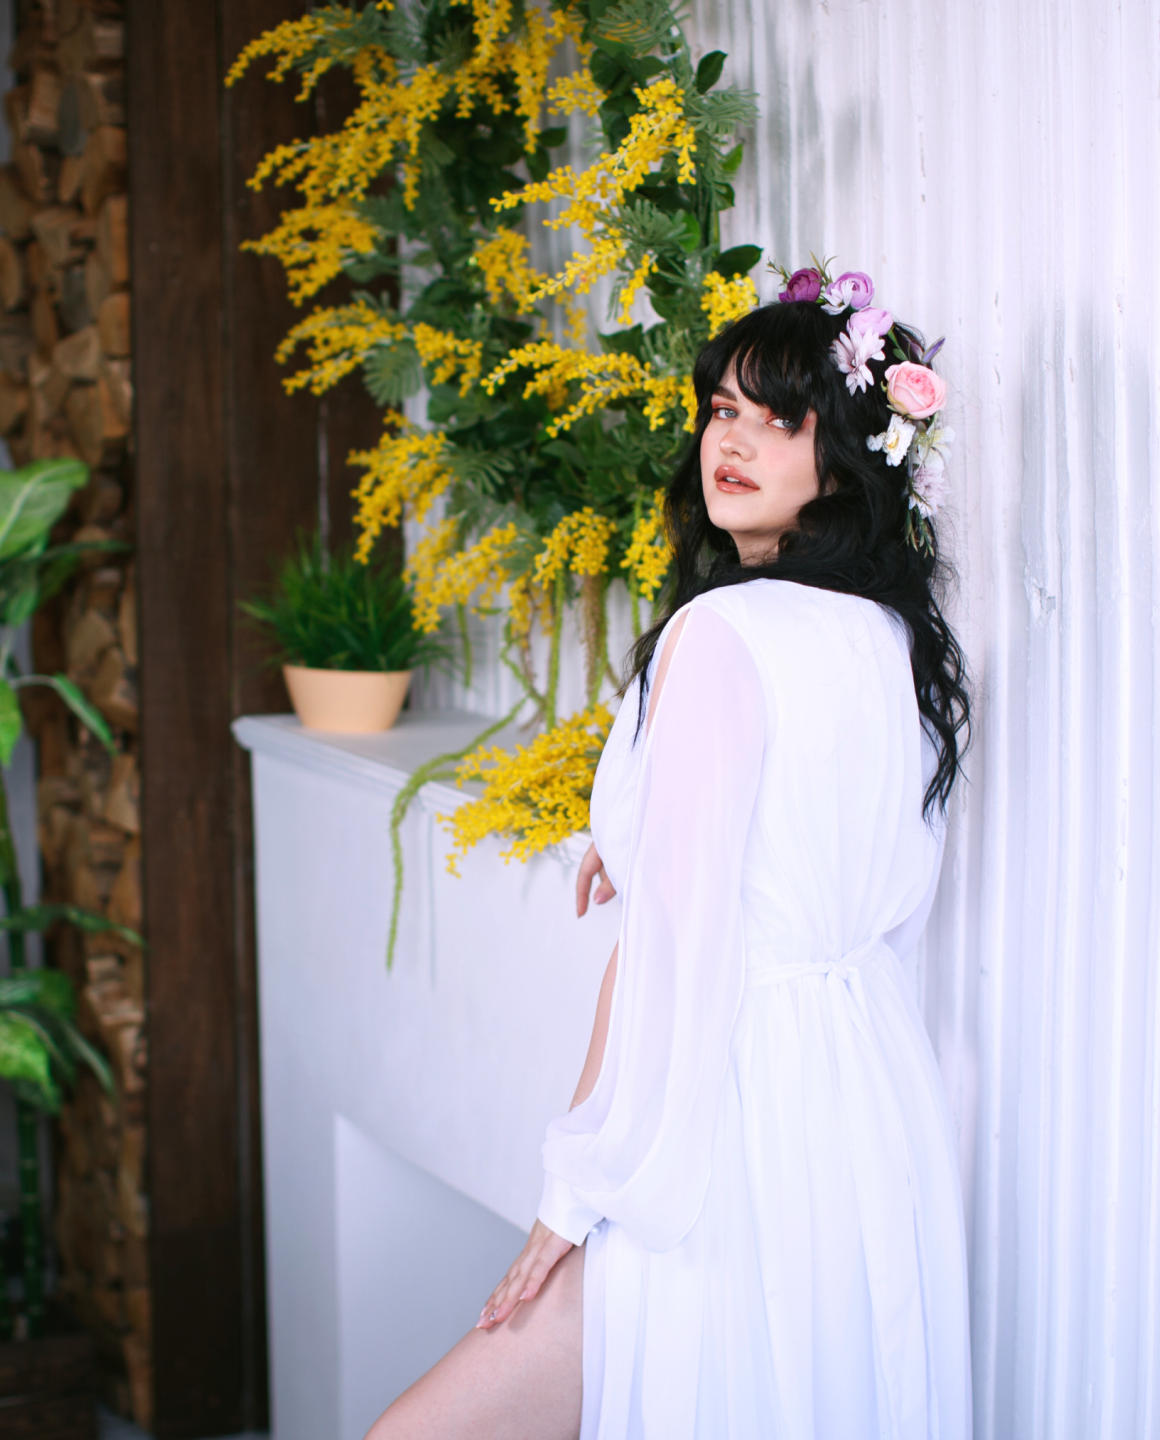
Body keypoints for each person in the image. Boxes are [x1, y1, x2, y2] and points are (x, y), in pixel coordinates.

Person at [366, 263, 974, 1439]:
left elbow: (677, 955)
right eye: (721, 410)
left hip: (725, 1113)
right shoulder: (894, 640)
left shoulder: (724, 630)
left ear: (848, 453)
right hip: (864, 1105)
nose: (730, 441)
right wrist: (647, 838)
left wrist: (573, 1191)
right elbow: (827, 871)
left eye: (779, 419)